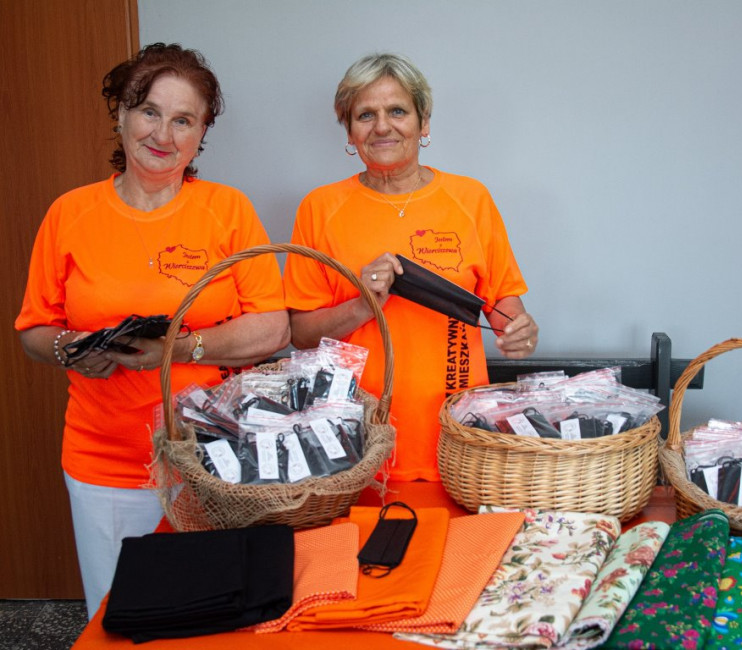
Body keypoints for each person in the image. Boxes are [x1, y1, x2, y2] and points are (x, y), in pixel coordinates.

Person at [15, 43, 289, 618]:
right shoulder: (70, 214)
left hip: (214, 459)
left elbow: (273, 328)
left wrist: (181, 348)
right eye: (149, 111)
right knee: (118, 616)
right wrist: (70, 348)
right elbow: (34, 328)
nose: (163, 134)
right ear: (121, 113)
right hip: (103, 461)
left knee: (210, 615)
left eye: (183, 120)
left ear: (201, 133)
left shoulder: (228, 211)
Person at [283, 53, 539, 482]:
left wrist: (519, 330)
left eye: (397, 111)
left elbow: (502, 305)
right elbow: (300, 335)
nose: (382, 126)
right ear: (350, 131)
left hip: (456, 432)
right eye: (366, 115)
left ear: (424, 124)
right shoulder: (319, 208)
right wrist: (362, 304)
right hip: (355, 440)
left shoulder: (470, 199)